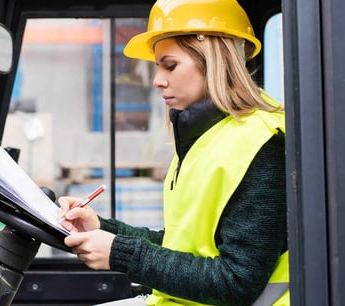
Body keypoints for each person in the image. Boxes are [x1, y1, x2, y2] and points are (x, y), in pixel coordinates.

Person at [58, 0, 288, 305]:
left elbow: (237, 281)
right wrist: (101, 227)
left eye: (170, 65)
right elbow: (183, 245)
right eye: (157, 66)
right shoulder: (208, 137)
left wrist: (120, 254)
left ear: (212, 60)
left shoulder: (260, 145)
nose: (157, 80)